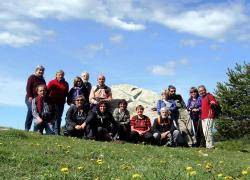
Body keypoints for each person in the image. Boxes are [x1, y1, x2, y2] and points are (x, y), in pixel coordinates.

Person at [47, 70, 69, 135]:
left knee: (59, 117)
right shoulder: (51, 82)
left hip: (61, 102)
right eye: (59, 74)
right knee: (52, 116)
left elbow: (66, 93)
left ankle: (57, 132)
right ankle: (51, 131)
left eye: (62, 75)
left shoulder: (66, 84)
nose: (61, 76)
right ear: (56, 75)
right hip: (52, 101)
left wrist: (67, 100)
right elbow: (47, 91)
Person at [25, 65, 46, 131]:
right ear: (36, 71)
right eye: (39, 70)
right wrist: (30, 96)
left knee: (39, 112)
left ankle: (37, 129)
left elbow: (44, 89)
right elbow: (28, 87)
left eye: (42, 70)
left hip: (39, 99)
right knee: (31, 110)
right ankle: (27, 128)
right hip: (30, 98)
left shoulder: (43, 80)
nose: (41, 71)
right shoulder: (32, 77)